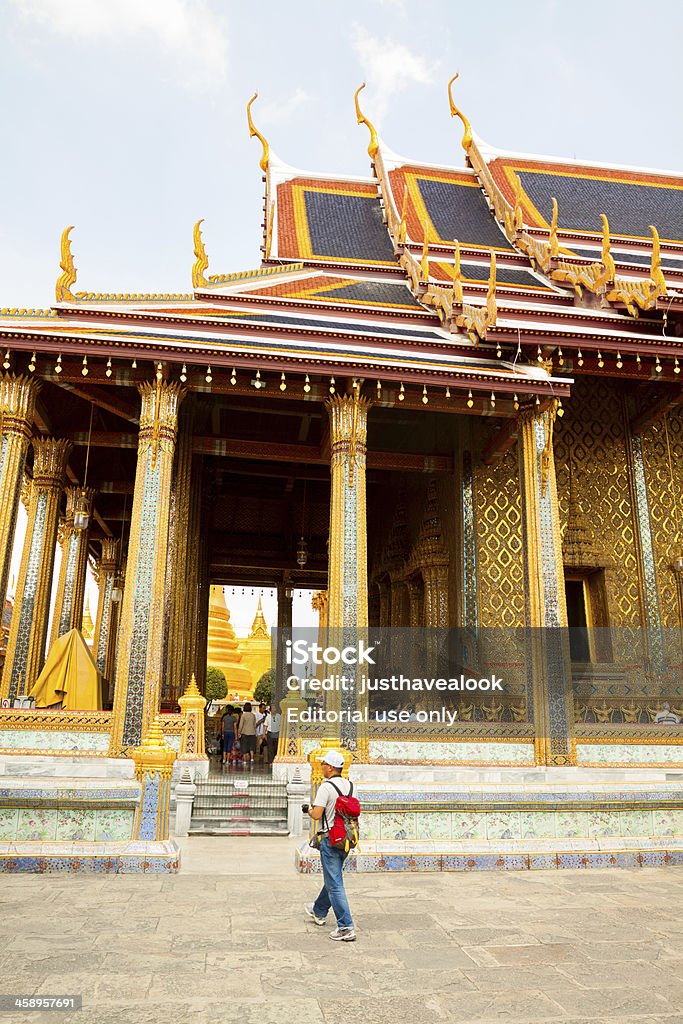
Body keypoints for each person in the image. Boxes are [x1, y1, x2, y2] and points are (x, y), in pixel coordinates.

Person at [303, 749, 356, 942]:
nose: (321, 767)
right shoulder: (350, 786)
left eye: (323, 764)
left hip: (330, 838)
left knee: (335, 884)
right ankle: (319, 910)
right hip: (346, 839)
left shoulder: (326, 787)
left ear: (331, 767)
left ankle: (346, 926)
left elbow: (317, 815)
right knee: (333, 877)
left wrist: (308, 809)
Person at [237, 701, 257, 766]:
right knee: (251, 747)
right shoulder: (253, 715)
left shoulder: (243, 715)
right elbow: (254, 725)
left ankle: (245, 761)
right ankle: (252, 759)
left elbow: (240, 725)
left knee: (244, 747)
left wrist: (239, 732)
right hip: (252, 733)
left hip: (244, 733)